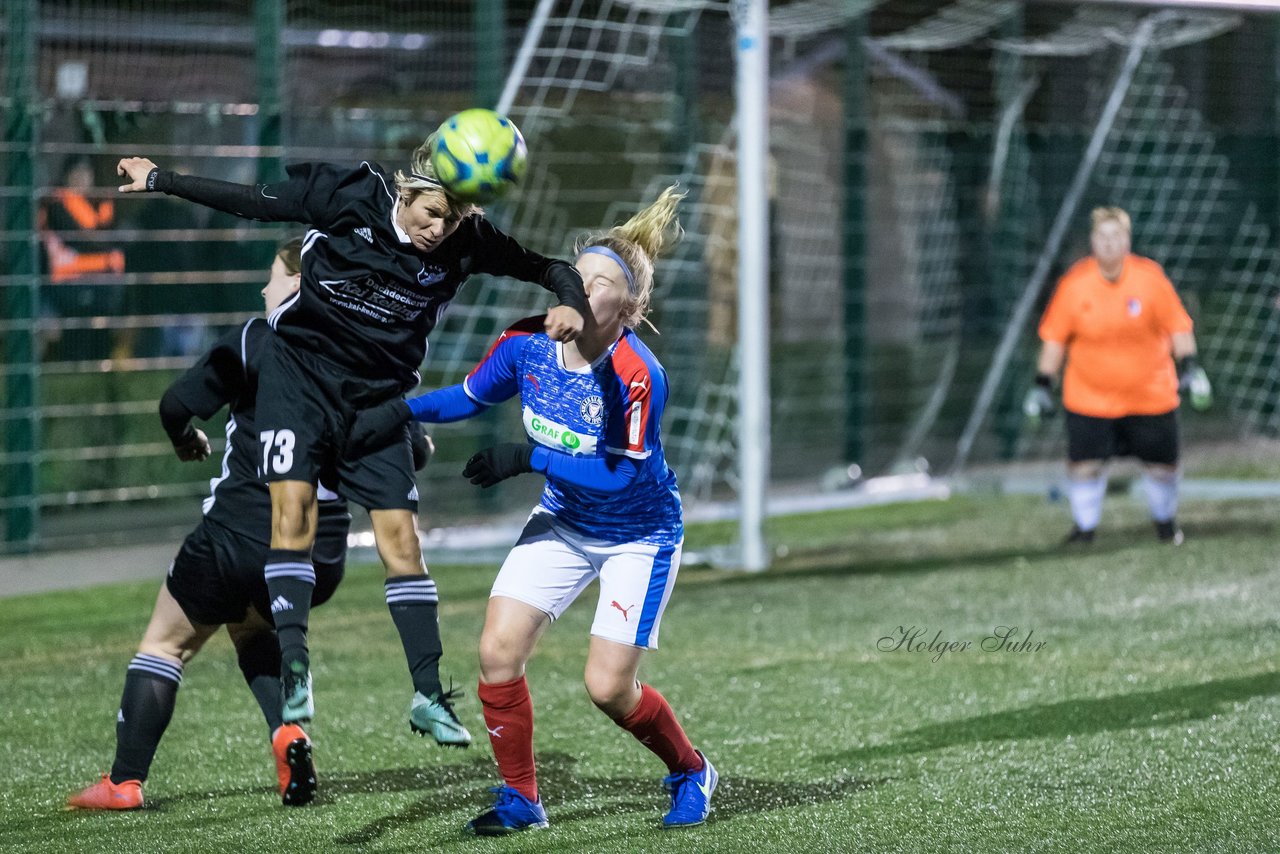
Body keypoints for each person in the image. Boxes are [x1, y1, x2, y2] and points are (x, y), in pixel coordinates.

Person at [115, 136, 587, 742]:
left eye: (456, 217)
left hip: (372, 400)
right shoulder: (349, 197)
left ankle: (427, 694)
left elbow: (548, 266)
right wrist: (162, 180)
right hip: (302, 381)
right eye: (432, 213)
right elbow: (253, 202)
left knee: (402, 538)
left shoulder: (468, 242)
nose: (440, 229)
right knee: (293, 511)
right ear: (407, 191)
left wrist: (570, 300)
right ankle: (294, 672)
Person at [347, 185, 716, 834]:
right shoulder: (527, 343)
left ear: (628, 309)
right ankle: (522, 799)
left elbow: (618, 474)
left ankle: (691, 770)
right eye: (579, 272)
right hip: (564, 522)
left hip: (638, 534)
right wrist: (399, 410)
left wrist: (527, 459)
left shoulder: (637, 374)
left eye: (604, 282)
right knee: (496, 652)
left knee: (607, 688)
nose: (582, 285)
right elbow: (468, 396)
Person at [65, 240, 422, 810]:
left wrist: (185, 439)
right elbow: (412, 449)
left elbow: (175, 405)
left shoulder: (261, 338)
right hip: (318, 556)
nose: (264, 290)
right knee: (252, 629)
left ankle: (123, 782)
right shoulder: (370, 360)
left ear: (304, 288)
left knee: (165, 644)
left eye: (275, 279)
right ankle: (290, 732)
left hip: (240, 535)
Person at [1023, 206, 1212, 545]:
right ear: (1092, 241)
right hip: (1089, 398)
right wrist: (1041, 385)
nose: (1108, 244)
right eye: (1102, 236)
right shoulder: (1074, 285)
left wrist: (1191, 368)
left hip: (1150, 396)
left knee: (1162, 467)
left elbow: (1178, 328)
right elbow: (1054, 339)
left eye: (1115, 236)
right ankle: (1084, 530)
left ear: (1127, 240)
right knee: (1084, 465)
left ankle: (1166, 525)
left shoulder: (1150, 279)